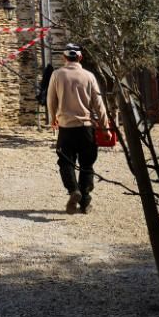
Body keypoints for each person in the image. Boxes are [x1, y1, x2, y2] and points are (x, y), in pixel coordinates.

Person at [46, 43, 109, 215]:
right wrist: (105, 127)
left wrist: (53, 119)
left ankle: (73, 190)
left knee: (65, 162)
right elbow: (99, 104)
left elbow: (51, 100)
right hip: (86, 128)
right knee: (87, 164)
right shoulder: (89, 76)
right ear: (80, 57)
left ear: (64, 58)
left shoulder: (57, 75)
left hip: (66, 128)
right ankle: (86, 202)